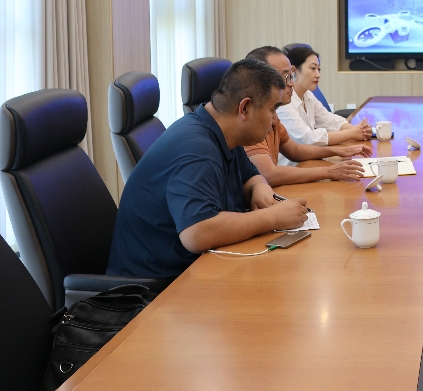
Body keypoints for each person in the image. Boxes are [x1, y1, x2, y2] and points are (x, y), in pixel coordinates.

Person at [107, 59, 311, 279]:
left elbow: (250, 174)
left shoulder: (224, 132)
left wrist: (259, 188)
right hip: (155, 288)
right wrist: (273, 217)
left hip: (196, 269)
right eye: (273, 110)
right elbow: (197, 233)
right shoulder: (197, 148)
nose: (275, 121)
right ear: (245, 108)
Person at [243, 47, 371, 186]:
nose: (291, 83)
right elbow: (269, 175)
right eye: (285, 78)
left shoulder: (272, 114)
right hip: (282, 180)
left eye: (291, 77)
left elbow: (295, 150)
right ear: (260, 82)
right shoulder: (251, 119)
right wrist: (328, 171)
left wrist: (339, 150)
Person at [278, 46, 371, 159]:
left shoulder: (307, 95)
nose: (318, 74)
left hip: (310, 159)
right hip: (294, 165)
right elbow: (307, 139)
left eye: (319, 69)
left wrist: (359, 130)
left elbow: (329, 120)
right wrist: (352, 133)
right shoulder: (284, 102)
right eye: (313, 68)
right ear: (294, 71)